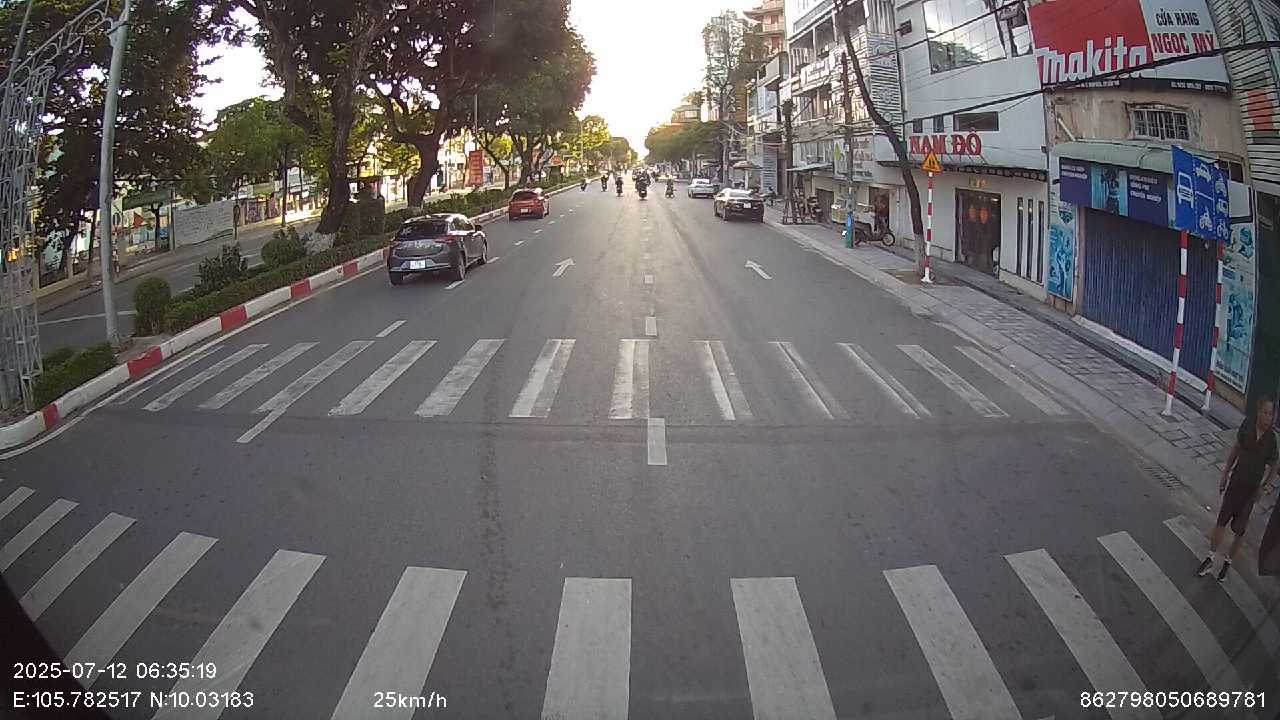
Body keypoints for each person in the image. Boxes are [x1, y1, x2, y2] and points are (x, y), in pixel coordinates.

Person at [1198, 395, 1278, 581]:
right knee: (1221, 521)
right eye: (1265, 412)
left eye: (1271, 414)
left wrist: (1265, 487)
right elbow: (1236, 448)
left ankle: (1228, 562)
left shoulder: (1271, 439)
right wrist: (1225, 473)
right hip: (1236, 483)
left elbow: (1275, 465)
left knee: (1240, 529)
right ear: (1258, 412)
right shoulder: (1248, 426)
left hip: (1251, 491)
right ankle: (1210, 557)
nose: (1268, 417)